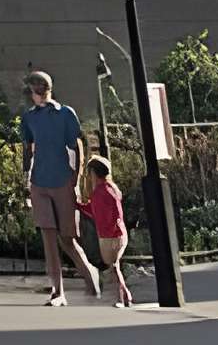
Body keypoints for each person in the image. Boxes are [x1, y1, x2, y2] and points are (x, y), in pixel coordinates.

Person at [18, 71, 96, 305]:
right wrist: (26, 179)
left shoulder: (65, 114)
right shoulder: (29, 118)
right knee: (48, 237)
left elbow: (76, 145)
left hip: (62, 181)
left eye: (34, 89)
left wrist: (76, 178)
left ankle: (91, 278)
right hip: (39, 183)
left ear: (38, 91)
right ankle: (57, 291)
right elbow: (28, 148)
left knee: (67, 239)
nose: (34, 94)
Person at [81, 156, 133, 305]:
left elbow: (115, 207)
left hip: (110, 236)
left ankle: (123, 297)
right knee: (114, 267)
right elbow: (93, 210)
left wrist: (116, 221)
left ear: (93, 173)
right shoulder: (106, 189)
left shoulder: (103, 190)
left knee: (113, 267)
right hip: (115, 235)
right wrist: (77, 205)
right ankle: (125, 296)